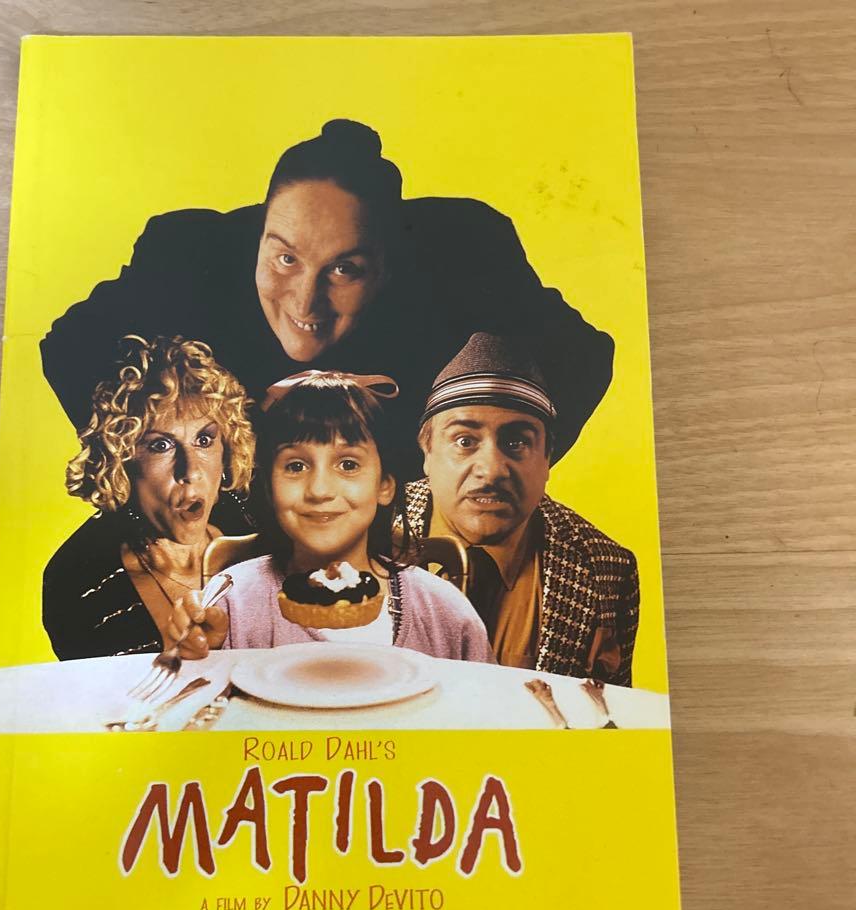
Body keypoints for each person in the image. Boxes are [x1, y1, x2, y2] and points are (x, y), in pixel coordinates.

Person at [41, 119, 614, 480]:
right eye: (284, 259)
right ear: (258, 234)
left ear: (389, 263)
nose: (305, 302)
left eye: (344, 269)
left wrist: (456, 489)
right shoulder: (190, 255)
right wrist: (167, 480)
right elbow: (68, 348)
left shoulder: (463, 252)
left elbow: (583, 357)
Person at [166, 371, 491, 663]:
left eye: (348, 464)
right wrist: (199, 657)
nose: (319, 490)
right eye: (296, 466)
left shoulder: (445, 612)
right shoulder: (231, 603)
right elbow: (195, 701)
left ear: (384, 485)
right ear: (270, 487)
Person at [405, 332, 639, 685]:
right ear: (427, 452)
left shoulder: (607, 569)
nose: (492, 470)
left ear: (547, 459)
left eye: (516, 442)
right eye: (465, 441)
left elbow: (611, 709)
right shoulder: (356, 532)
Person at [41, 335, 256, 660]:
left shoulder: (266, 533)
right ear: (119, 461)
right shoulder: (79, 582)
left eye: (204, 440)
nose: (191, 471)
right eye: (160, 446)